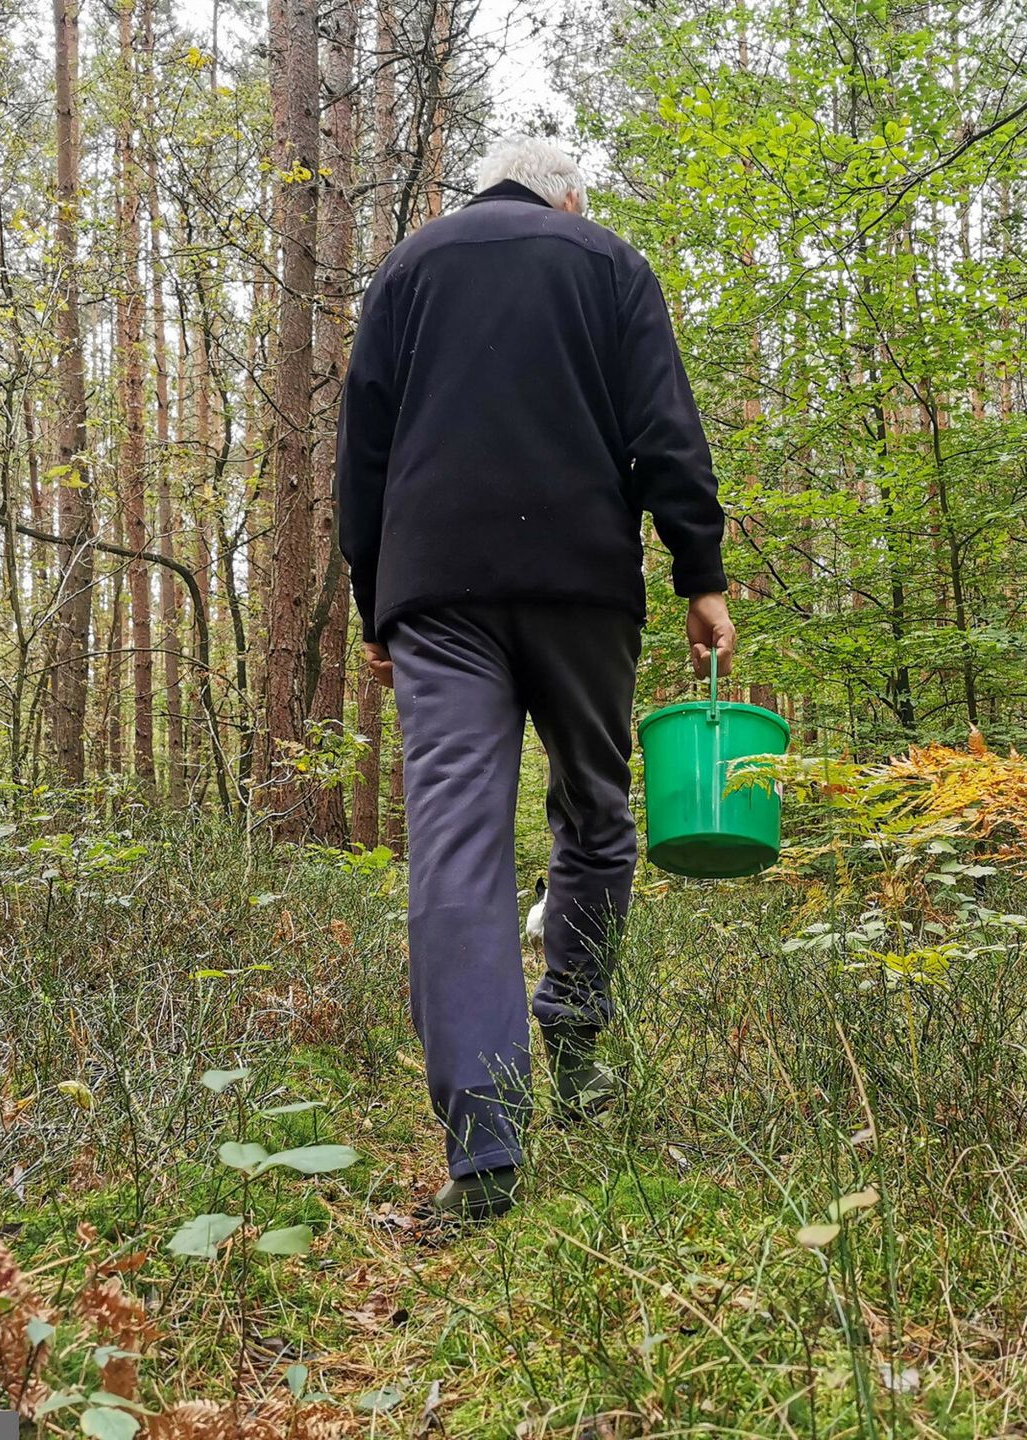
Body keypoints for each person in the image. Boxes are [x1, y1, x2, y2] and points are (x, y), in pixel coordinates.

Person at [335, 135, 736, 1218]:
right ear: (564, 192)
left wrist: (377, 593)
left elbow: (362, 449)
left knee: (455, 844)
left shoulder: (411, 267)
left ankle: (486, 1150)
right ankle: (575, 1026)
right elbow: (665, 429)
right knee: (596, 815)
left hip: (438, 593)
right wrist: (700, 571)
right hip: (581, 584)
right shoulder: (607, 260)